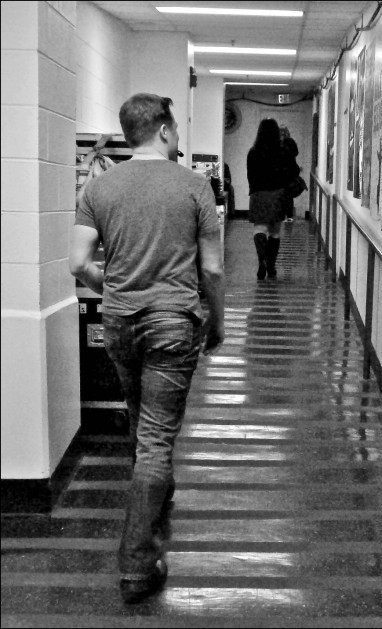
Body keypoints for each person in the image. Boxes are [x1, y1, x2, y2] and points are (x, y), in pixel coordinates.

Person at [69, 92, 225, 604]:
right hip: (171, 323)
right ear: (162, 130)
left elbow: (78, 263)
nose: (177, 138)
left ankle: (155, 515)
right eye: (175, 130)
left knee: (142, 427)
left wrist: (110, 284)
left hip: (119, 322)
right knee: (157, 439)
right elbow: (213, 269)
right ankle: (137, 563)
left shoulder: (101, 187)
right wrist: (216, 322)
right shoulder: (194, 186)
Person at [247, 118, 300, 278]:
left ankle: (262, 262)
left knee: (259, 229)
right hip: (278, 195)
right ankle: (271, 266)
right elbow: (294, 171)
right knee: (275, 232)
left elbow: (250, 176)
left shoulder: (253, 152)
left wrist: (256, 190)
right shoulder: (283, 151)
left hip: (258, 195)